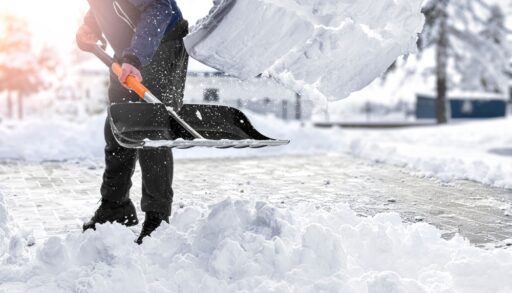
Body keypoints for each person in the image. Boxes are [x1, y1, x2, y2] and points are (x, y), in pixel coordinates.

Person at [76, 0, 188, 244]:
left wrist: (135, 58)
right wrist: (91, 27)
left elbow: (159, 8)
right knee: (118, 125)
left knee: (151, 131)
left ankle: (157, 219)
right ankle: (116, 207)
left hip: (161, 44)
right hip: (129, 50)